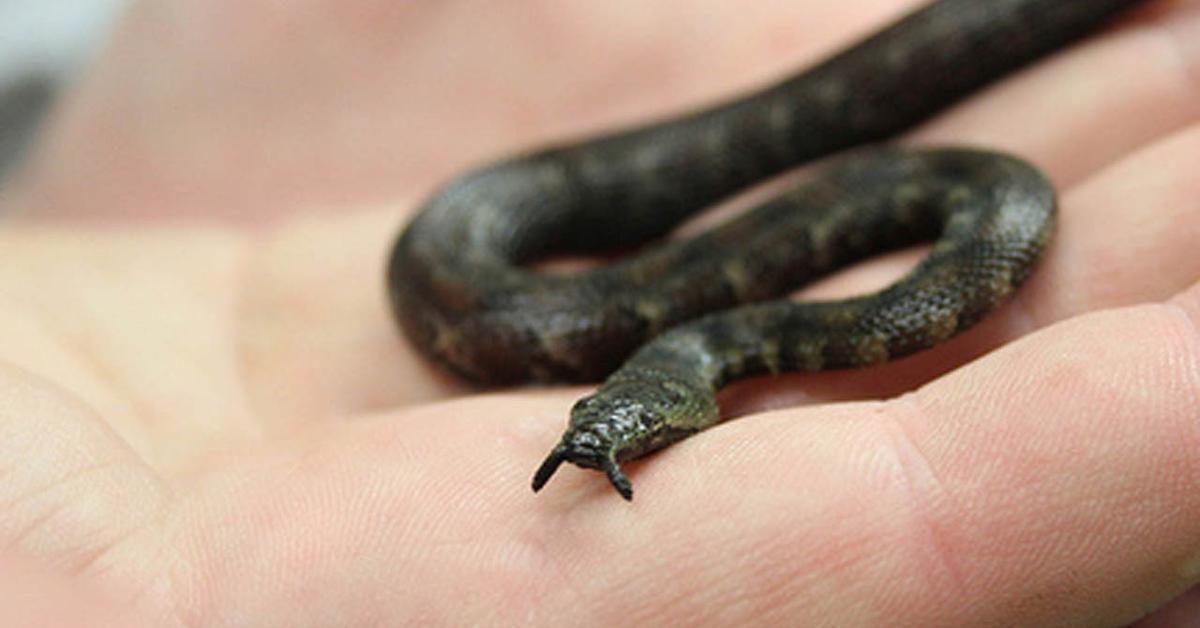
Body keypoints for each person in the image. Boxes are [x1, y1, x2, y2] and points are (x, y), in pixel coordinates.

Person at [1, 1, 1198, 624]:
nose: (604, 429)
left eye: (617, 413)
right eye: (608, 412)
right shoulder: (643, 331)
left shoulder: (985, 216)